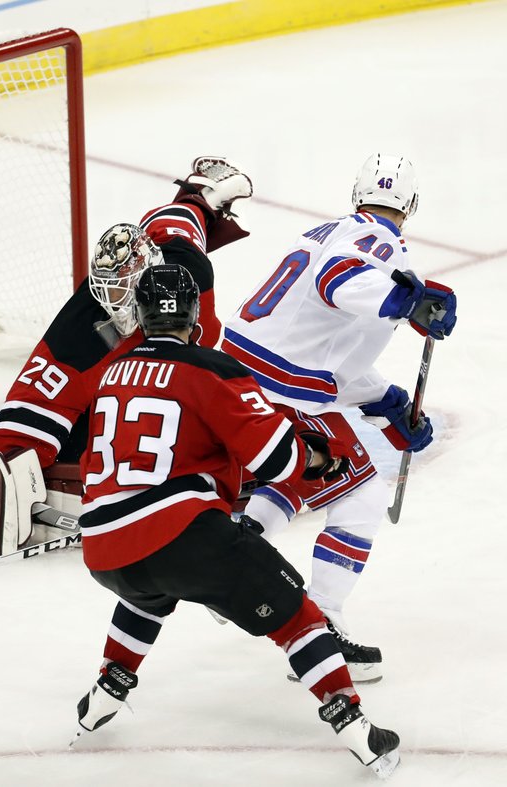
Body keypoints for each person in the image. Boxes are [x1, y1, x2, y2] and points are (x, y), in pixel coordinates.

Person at [72, 264, 400, 779]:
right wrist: (318, 457)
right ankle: (358, 731)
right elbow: (275, 461)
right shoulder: (211, 368)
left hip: (103, 547)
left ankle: (102, 697)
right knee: (300, 616)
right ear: (193, 314)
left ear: (139, 314)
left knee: (148, 595)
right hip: (186, 535)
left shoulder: (112, 371)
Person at [0, 157, 254, 555]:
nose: (117, 306)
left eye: (126, 294)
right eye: (109, 293)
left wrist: (201, 196)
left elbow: (176, 223)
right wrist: (11, 467)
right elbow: (35, 402)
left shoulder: (187, 267)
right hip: (126, 405)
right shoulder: (89, 325)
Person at [220, 153, 458, 682]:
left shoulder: (332, 229)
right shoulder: (380, 242)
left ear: (357, 194)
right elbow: (340, 281)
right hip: (279, 386)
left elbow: (330, 355)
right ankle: (318, 624)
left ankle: (238, 553)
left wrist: (385, 400)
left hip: (246, 375)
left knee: (311, 477)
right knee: (362, 489)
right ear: (411, 206)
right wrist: (407, 301)